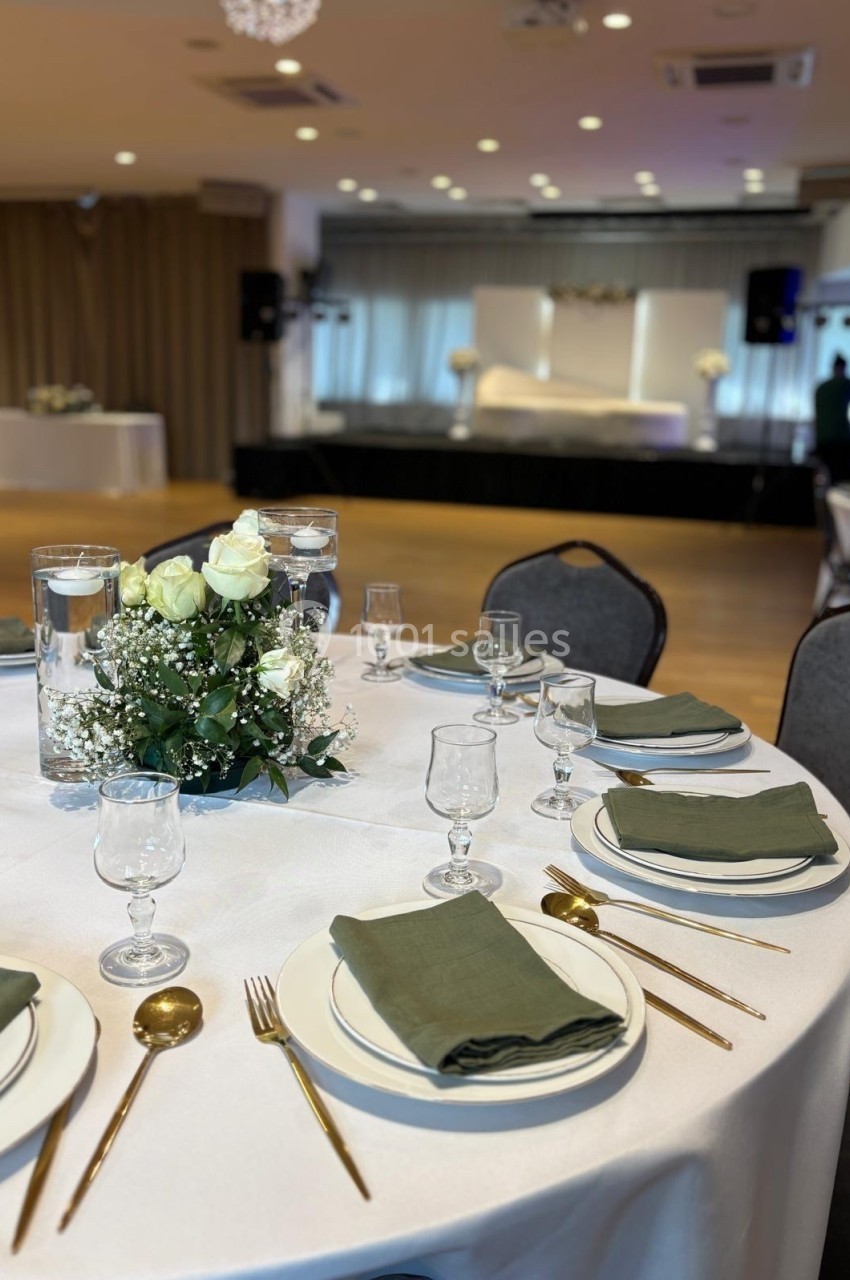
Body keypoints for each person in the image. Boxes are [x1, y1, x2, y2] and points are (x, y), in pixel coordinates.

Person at [814, 354, 850, 482]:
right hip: (840, 439)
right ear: (843, 367)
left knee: (827, 478)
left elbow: (816, 417)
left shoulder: (821, 388)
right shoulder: (845, 384)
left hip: (823, 439)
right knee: (841, 480)